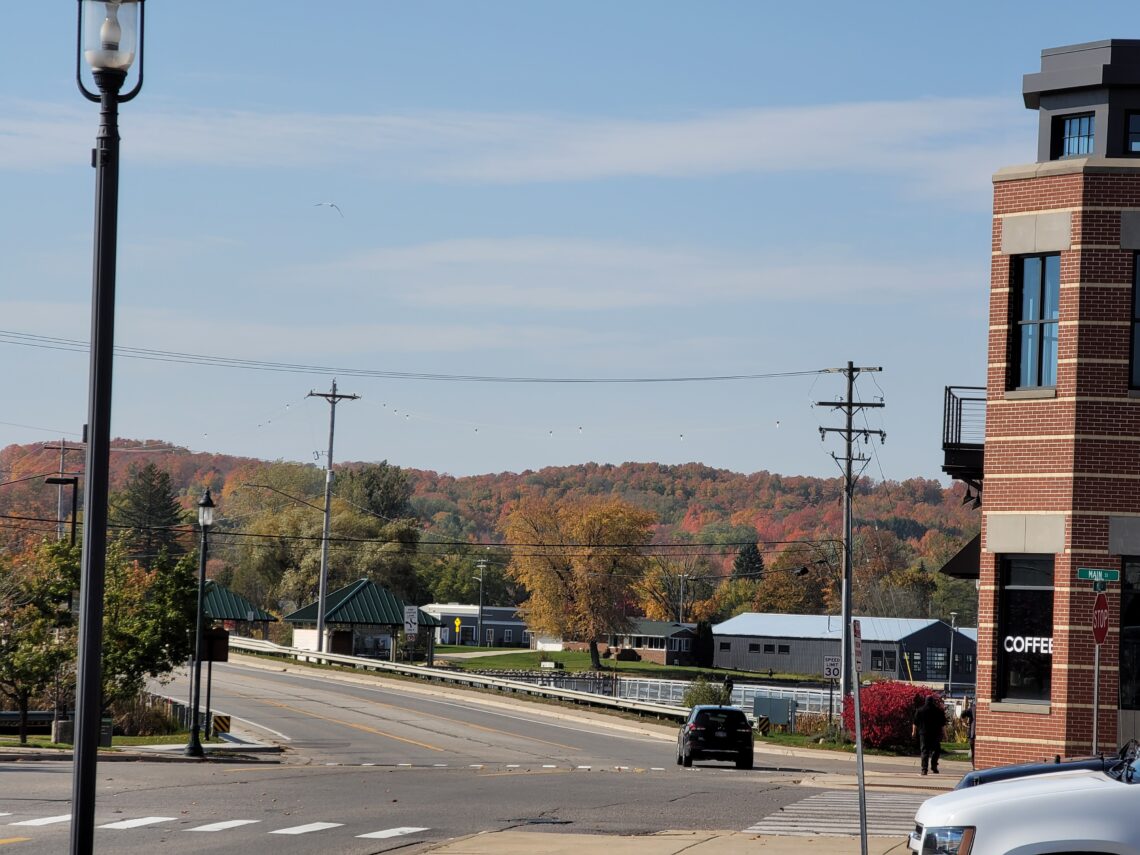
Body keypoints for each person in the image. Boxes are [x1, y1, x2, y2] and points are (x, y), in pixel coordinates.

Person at [912, 694, 947, 775]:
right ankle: (934, 765)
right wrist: (945, 735)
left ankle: (924, 769)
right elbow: (943, 724)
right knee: (936, 750)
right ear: (933, 701)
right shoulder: (939, 711)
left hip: (923, 734)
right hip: (935, 734)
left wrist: (913, 732)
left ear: (925, 701)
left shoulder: (920, 710)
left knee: (924, 751)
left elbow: (915, 723)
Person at [960, 697, 976, 768]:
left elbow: (963, 713)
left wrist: (964, 722)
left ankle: (974, 766)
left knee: (973, 752)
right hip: (977, 734)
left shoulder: (972, 709)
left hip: (973, 734)